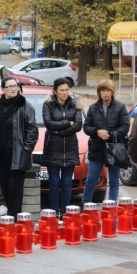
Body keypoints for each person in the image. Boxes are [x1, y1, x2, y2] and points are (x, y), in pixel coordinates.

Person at [0, 77, 38, 221]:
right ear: (3, 89)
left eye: (15, 86)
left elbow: (32, 130)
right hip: (2, 151)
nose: (13, 89)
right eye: (9, 86)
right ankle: (11, 211)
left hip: (18, 151)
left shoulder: (24, 106)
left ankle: (15, 215)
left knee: (15, 184)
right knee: (5, 183)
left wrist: (26, 149)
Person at [82, 79, 129, 203]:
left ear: (112, 92)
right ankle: (86, 205)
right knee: (91, 180)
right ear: (99, 92)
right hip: (97, 148)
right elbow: (86, 127)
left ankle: (112, 206)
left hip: (114, 149)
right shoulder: (93, 108)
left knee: (114, 181)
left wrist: (110, 134)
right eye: (103, 90)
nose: (106, 93)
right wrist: (98, 132)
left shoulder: (120, 107)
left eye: (108, 90)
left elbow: (125, 127)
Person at [42, 78, 82, 217]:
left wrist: (59, 132)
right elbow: (49, 124)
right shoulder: (48, 104)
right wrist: (67, 123)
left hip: (70, 148)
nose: (65, 93)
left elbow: (78, 125)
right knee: (53, 182)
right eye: (61, 90)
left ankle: (65, 211)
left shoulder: (75, 104)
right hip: (53, 148)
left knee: (66, 182)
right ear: (55, 91)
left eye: (66, 89)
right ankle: (54, 211)